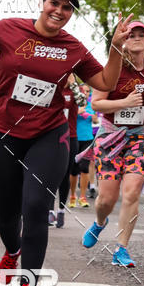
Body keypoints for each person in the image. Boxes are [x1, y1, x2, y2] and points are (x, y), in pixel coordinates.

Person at [0, 0, 132, 286]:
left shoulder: (73, 48)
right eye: (55, 3)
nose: (59, 11)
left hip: (48, 133)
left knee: (36, 206)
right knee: (6, 213)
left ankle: (28, 283)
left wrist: (116, 48)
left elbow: (106, 80)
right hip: (3, 131)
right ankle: (12, 250)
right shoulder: (10, 30)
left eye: (67, 8)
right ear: (43, 1)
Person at [82, 21, 144, 267]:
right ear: (125, 40)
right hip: (110, 137)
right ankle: (100, 222)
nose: (137, 38)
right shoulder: (112, 68)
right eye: (132, 35)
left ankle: (122, 248)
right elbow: (96, 104)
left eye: (142, 34)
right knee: (106, 200)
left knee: (131, 193)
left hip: (139, 137)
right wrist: (124, 103)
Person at [49, 74, 83, 227]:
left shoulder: (75, 92)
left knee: (65, 175)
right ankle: (49, 211)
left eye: (70, 74)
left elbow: (83, 101)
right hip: (50, 137)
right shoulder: (53, 88)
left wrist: (74, 84)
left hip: (70, 138)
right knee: (49, 174)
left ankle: (61, 210)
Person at [70, 86, 94, 207]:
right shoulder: (73, 103)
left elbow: (95, 120)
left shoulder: (91, 104)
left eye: (88, 91)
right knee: (74, 170)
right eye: (84, 90)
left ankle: (83, 197)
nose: (86, 93)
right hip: (74, 138)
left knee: (85, 168)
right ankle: (72, 195)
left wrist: (90, 114)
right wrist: (78, 112)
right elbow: (68, 117)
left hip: (88, 139)